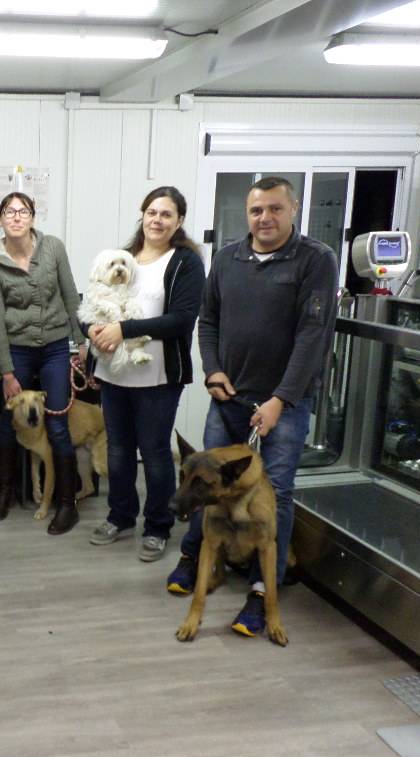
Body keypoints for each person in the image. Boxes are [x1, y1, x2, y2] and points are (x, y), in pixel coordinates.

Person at [166, 176, 338, 637]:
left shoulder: (315, 260)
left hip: (285, 403)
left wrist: (281, 399)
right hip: (229, 399)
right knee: (207, 484)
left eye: (275, 209)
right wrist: (213, 370)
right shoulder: (227, 258)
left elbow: (312, 336)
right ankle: (194, 557)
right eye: (257, 210)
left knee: (275, 494)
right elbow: (209, 321)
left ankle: (263, 591)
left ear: (293, 209)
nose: (265, 218)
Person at [83, 187, 205, 562]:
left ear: (179, 221)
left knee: (154, 453)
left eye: (166, 214)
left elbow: (182, 319)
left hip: (158, 377)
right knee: (117, 451)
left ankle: (157, 526)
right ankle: (120, 517)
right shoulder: (124, 257)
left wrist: (124, 329)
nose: (157, 220)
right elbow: (89, 301)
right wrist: (89, 330)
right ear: (143, 215)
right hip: (114, 374)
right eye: (152, 212)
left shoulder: (185, 262)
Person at [0, 192, 86, 534]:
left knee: (57, 423)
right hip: (18, 350)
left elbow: (71, 295)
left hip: (56, 346)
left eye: (22, 211)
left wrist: (82, 343)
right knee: (8, 423)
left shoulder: (53, 248)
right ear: (0, 219)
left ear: (32, 217)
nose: (16, 216)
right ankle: (5, 491)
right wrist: (7, 371)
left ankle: (67, 505)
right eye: (9, 211)